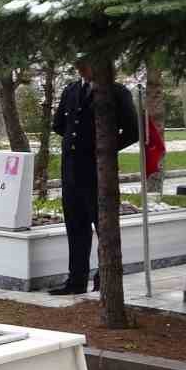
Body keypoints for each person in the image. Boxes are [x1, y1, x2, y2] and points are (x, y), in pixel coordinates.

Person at [49, 58, 138, 296]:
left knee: (103, 227)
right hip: (71, 172)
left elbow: (132, 131)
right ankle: (76, 280)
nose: (81, 69)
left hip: (99, 172)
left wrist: (104, 149)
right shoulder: (71, 90)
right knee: (76, 228)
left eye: (85, 64)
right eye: (78, 65)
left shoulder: (116, 92)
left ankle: (104, 278)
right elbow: (59, 125)